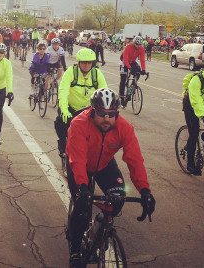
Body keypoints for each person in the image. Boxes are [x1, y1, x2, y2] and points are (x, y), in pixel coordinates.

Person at [66, 88, 155, 267]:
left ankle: (100, 225)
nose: (106, 119)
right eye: (101, 113)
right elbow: (78, 159)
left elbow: (135, 160)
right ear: (92, 111)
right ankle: (75, 250)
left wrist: (145, 190)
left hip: (104, 165)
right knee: (82, 208)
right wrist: (83, 187)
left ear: (117, 113)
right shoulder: (79, 123)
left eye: (111, 114)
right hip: (79, 165)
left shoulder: (125, 128)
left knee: (118, 197)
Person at [55, 48, 107, 155]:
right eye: (83, 62)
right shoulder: (71, 72)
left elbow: (104, 93)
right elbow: (63, 90)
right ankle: (62, 141)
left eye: (89, 62)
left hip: (89, 109)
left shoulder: (97, 74)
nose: (86, 65)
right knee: (61, 121)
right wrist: (64, 110)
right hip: (71, 108)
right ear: (79, 62)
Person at [119, 36, 146, 107]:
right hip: (124, 62)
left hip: (132, 61)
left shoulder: (141, 49)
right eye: (137, 44)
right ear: (134, 43)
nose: (138, 46)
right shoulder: (128, 47)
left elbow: (142, 60)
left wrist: (143, 69)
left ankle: (131, 88)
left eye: (140, 45)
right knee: (123, 79)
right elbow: (125, 60)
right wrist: (130, 68)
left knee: (138, 71)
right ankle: (122, 98)